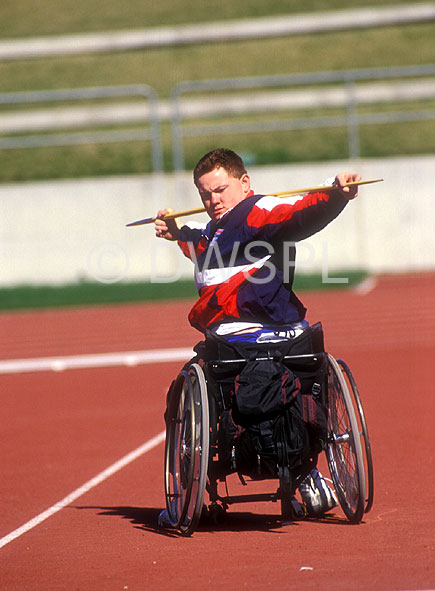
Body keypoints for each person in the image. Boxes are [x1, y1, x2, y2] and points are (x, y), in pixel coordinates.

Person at [155, 148, 361, 521]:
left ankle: (188, 498)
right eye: (205, 194)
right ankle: (306, 474)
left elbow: (299, 215)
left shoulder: (255, 210)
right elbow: (201, 245)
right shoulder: (216, 231)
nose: (213, 200)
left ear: (244, 183)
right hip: (288, 343)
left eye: (220, 190)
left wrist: (334, 197)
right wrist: (175, 233)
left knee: (182, 390)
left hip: (241, 344)